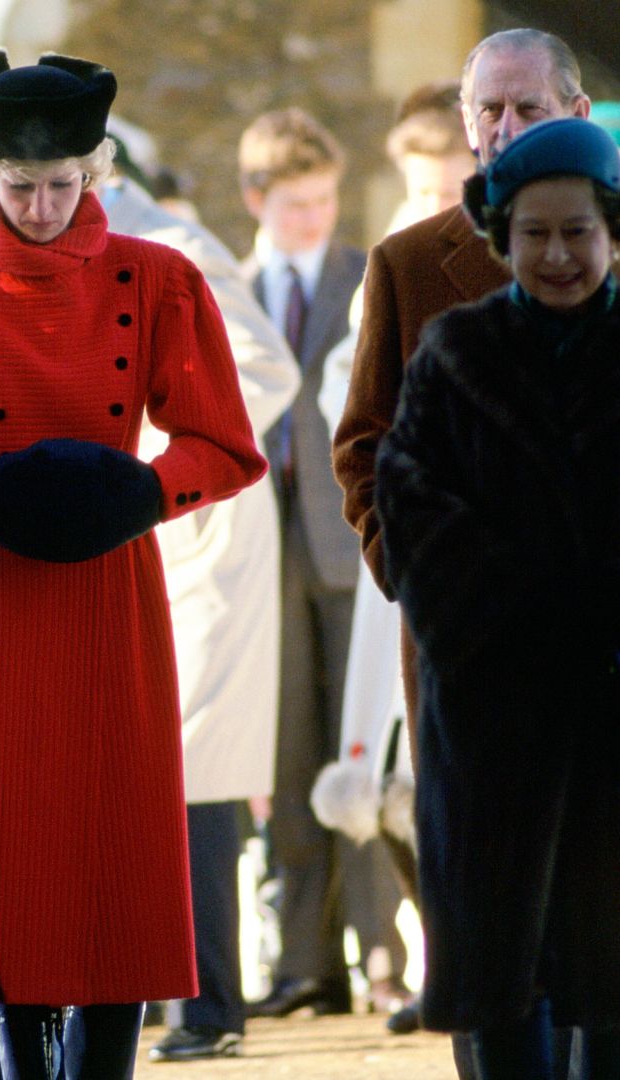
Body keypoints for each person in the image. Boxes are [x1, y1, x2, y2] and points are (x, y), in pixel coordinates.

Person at [0, 50, 266, 1080]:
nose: (45, 204)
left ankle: (108, 1057)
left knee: (116, 838)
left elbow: (226, 442)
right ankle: (14, 1048)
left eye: (64, 182)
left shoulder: (161, 277)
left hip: (111, 589)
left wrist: (144, 491)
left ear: (96, 172)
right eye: (21, 186)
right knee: (11, 841)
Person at [375, 115, 620, 1080]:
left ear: (612, 232)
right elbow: (412, 506)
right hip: (492, 722)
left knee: (610, 982)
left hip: (612, 720)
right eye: (534, 233)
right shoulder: (453, 355)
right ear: (501, 238)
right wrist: (524, 616)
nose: (557, 254)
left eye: (578, 232)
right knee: (504, 977)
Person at [332, 27, 591, 765]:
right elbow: (363, 443)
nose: (505, 129)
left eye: (528, 109)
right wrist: (413, 569)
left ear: (575, 115)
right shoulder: (407, 266)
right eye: (489, 110)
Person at [99, 124, 300, 1063]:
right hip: (153, 533)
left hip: (200, 534)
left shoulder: (175, 251)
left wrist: (155, 454)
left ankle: (210, 1003)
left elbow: (269, 369)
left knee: (199, 772)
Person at [310, 81, 476, 1036]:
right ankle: (436, 956)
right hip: (410, 577)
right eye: (416, 186)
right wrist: (392, 545)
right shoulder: (402, 267)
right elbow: (354, 406)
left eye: (445, 181)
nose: (431, 201)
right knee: (403, 772)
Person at [238, 106, 406, 1019]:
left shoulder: (363, 275)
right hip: (263, 554)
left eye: (325, 200)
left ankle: (380, 961)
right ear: (255, 199)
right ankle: (303, 965)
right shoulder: (230, 285)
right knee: (287, 753)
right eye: (296, 204)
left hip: (348, 543)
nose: (315, 218)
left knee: (361, 749)